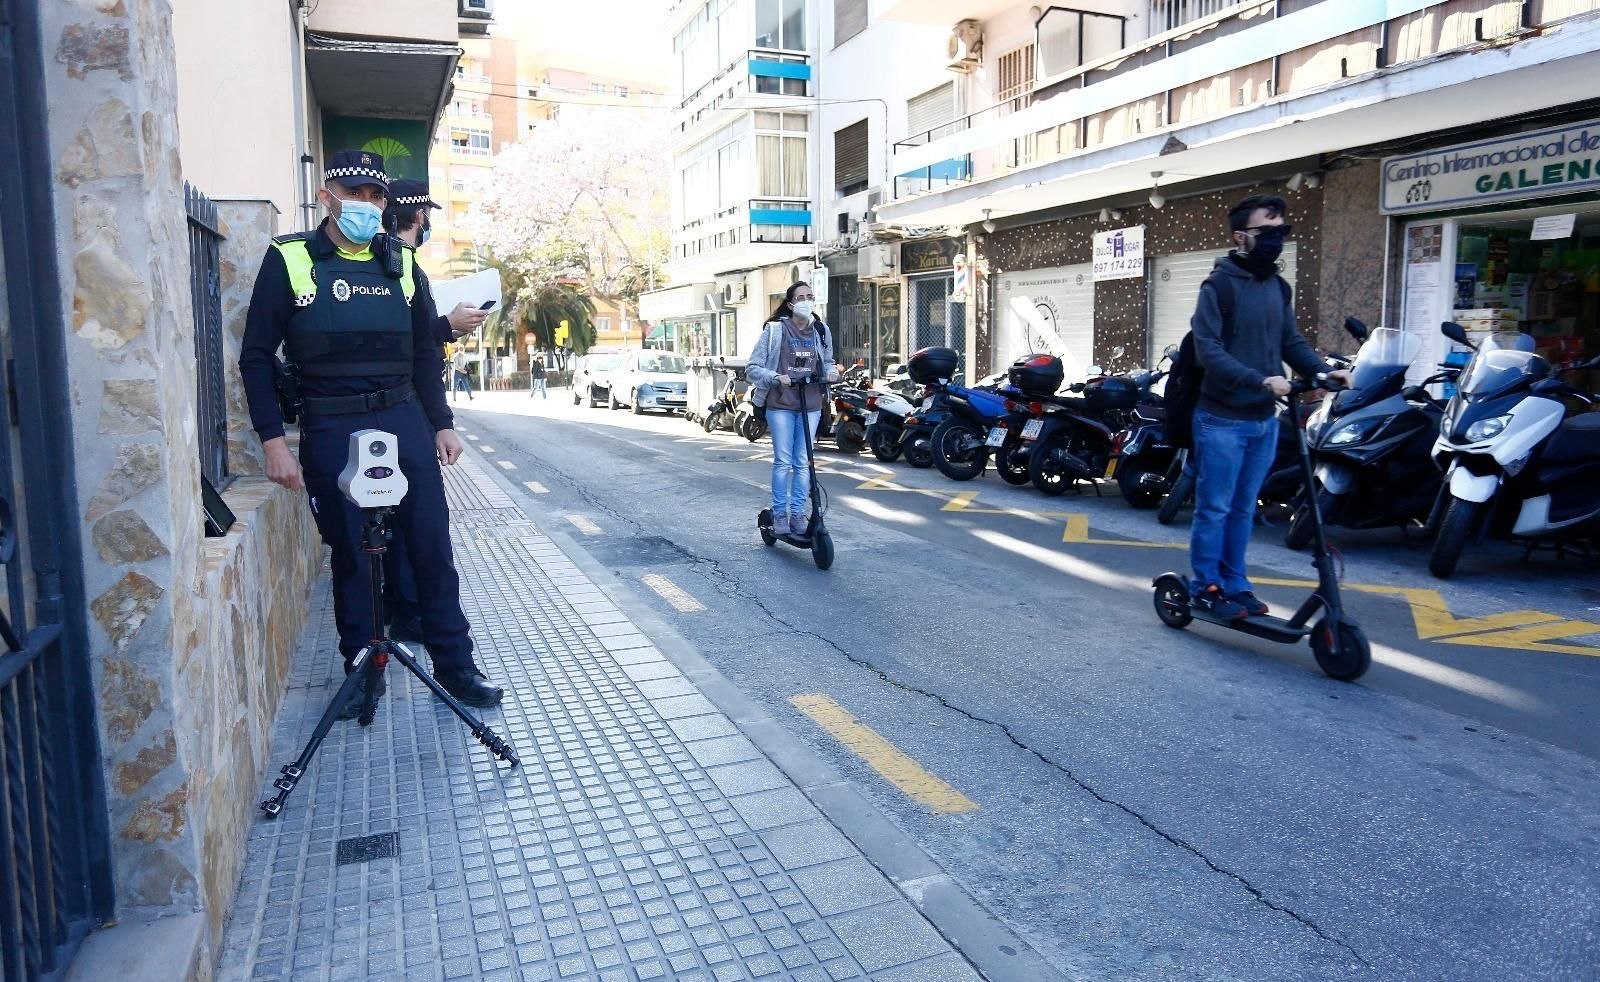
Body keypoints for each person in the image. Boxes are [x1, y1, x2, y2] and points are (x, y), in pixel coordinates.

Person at [239, 149, 503, 717]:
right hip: (332, 421)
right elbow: (256, 356)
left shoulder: (401, 263)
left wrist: (443, 424)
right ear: (326, 193)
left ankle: (455, 666)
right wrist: (272, 440)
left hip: (403, 417)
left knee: (431, 547)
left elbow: (424, 351)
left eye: (377, 195)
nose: (367, 204)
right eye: (355, 192)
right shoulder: (288, 259)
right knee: (354, 555)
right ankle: (361, 669)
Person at [1187, 194, 1351, 620]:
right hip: (1222, 418)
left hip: (1263, 419)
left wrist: (1320, 372)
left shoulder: (1278, 286)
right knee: (1216, 508)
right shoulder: (1217, 287)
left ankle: (1235, 582)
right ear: (1241, 237)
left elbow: (1289, 341)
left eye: (1283, 232)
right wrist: (1259, 379)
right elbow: (1209, 352)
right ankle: (1205, 584)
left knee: (1244, 508)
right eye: (1267, 232)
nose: (1277, 240)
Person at [745, 282, 841, 535]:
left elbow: (828, 362)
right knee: (783, 461)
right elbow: (753, 368)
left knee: (803, 462)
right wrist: (775, 377)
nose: (806, 301)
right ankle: (779, 514)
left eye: (810, 296)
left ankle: (797, 514)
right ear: (790, 304)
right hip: (781, 405)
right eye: (801, 297)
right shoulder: (776, 331)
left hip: (810, 404)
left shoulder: (820, 330)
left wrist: (831, 373)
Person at [383, 178, 487, 346]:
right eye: (429, 215)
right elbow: (400, 333)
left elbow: (421, 327)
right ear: (420, 216)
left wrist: (452, 330)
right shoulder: (397, 263)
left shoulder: (402, 257)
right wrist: (449, 322)